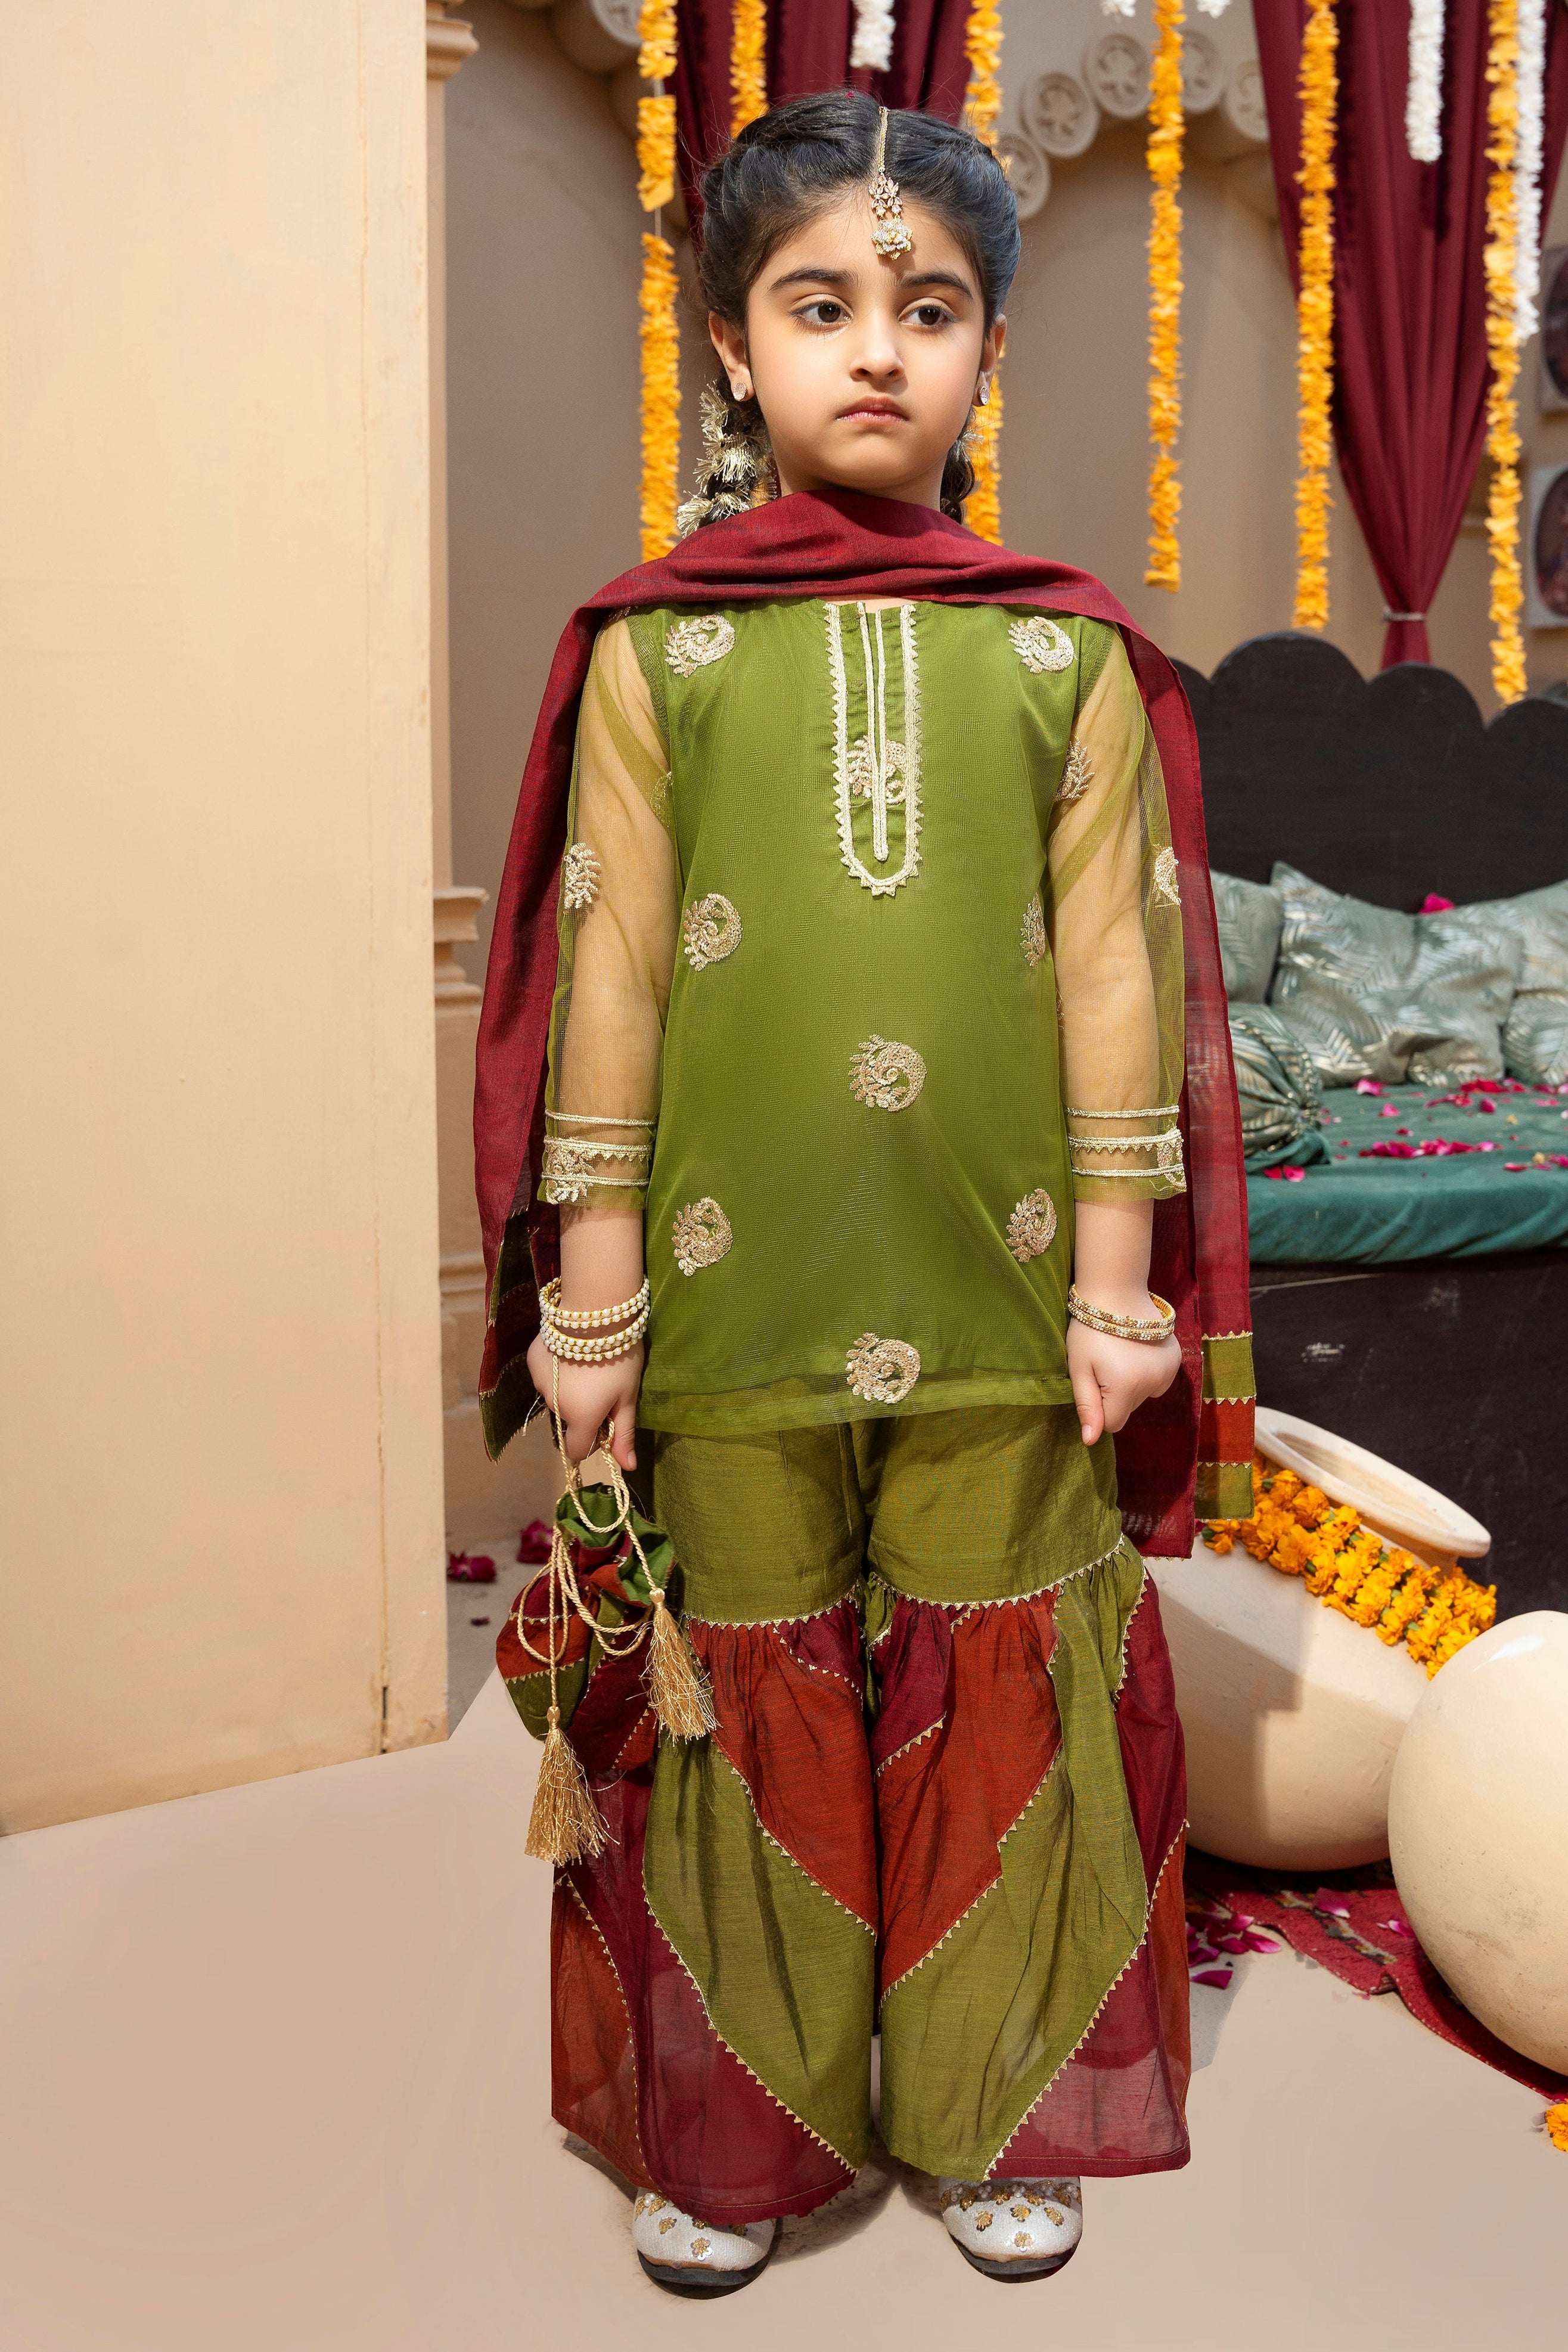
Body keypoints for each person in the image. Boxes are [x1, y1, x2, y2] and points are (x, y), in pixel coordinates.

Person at [475, 91, 1252, 2294]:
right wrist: (593, 1312)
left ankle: (999, 2099)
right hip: (720, 1301)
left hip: (1013, 1294)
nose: (878, 351)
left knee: (1001, 1674)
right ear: (734, 343)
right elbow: (610, 973)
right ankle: (741, 2131)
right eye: (822, 305)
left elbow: (1113, 966)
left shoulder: (1063, 647)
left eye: (930, 307)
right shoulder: (657, 649)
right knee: (737, 1685)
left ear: (991, 345)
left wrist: (1123, 1296)